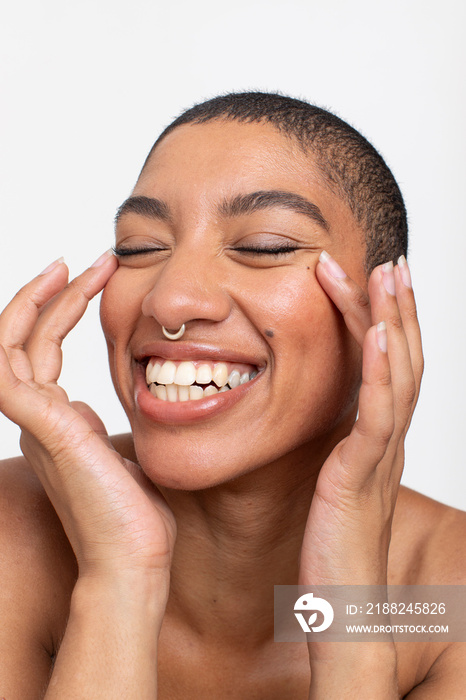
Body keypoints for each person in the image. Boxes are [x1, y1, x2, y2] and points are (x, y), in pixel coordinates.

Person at [0, 91, 465, 699]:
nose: (169, 301)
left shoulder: (445, 600)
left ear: (381, 311)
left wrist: (348, 604)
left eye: (265, 246)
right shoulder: (12, 540)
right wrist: (119, 577)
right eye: (140, 247)